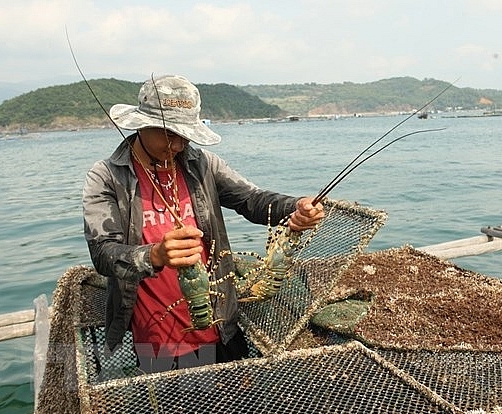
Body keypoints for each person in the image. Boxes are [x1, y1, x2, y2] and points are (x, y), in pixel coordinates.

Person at [82, 75, 324, 373]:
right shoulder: (106, 176)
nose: (178, 144)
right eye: (169, 133)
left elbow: (252, 199)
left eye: (185, 135)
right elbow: (102, 252)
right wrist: (154, 255)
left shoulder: (202, 163)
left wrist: (295, 208)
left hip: (222, 326)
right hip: (159, 339)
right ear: (141, 124)